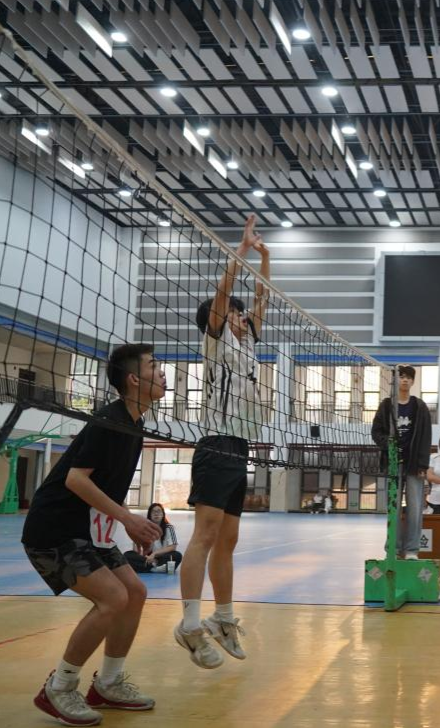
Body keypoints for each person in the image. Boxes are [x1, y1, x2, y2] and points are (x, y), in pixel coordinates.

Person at [20, 344, 166, 726]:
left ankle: (108, 684)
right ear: (134, 379)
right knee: (113, 597)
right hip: (53, 529)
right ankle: (59, 687)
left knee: (135, 593)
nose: (163, 372)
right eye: (154, 366)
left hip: (87, 532)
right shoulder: (109, 421)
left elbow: (107, 487)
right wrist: (128, 519)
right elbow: (75, 479)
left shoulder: (135, 424)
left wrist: (129, 525)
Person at [177, 214, 270, 670]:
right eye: (235, 312)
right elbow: (222, 294)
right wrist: (242, 251)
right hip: (215, 443)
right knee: (206, 534)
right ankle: (189, 622)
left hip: (240, 446)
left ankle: (224, 617)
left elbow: (263, 299)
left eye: (240, 313)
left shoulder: (247, 343)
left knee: (229, 540)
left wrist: (266, 259)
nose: (241, 317)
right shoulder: (215, 340)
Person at [370, 364, 433, 559]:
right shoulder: (386, 405)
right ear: (396, 380)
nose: (405, 380)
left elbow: (426, 437)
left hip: (414, 464)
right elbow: (376, 432)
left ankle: (412, 550)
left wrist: (423, 464)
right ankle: (394, 549)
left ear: (413, 382)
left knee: (415, 508)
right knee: (393, 508)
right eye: (402, 376)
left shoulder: (420, 406)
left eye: (408, 377)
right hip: (393, 463)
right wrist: (388, 445)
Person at [124, 503, 181, 574]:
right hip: (147, 558)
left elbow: (173, 547)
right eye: (153, 511)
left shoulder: (169, 528)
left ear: (163, 514)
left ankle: (148, 567)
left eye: (159, 511)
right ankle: (155, 568)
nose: (156, 514)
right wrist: (145, 557)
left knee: (177, 555)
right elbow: (136, 548)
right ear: (149, 515)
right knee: (127, 555)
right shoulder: (143, 528)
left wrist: (154, 554)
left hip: (162, 556)